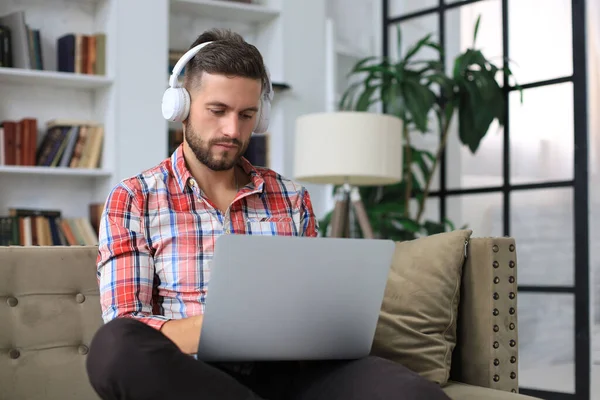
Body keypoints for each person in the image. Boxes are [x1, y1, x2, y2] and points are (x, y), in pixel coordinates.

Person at [85, 28, 451, 400]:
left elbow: (316, 304)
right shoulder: (134, 199)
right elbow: (129, 321)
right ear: (179, 107)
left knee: (413, 394)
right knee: (114, 348)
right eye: (217, 111)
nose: (233, 130)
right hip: (196, 377)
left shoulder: (292, 198)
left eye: (247, 115)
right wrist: (226, 327)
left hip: (295, 371)